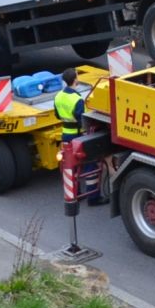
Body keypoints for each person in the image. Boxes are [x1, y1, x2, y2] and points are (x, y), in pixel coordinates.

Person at [53, 68, 104, 205]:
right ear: (75, 80)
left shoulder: (58, 96)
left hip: (65, 135)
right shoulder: (77, 99)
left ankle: (77, 193)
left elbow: (57, 115)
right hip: (78, 136)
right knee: (90, 166)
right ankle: (93, 197)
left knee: (71, 166)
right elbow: (82, 119)